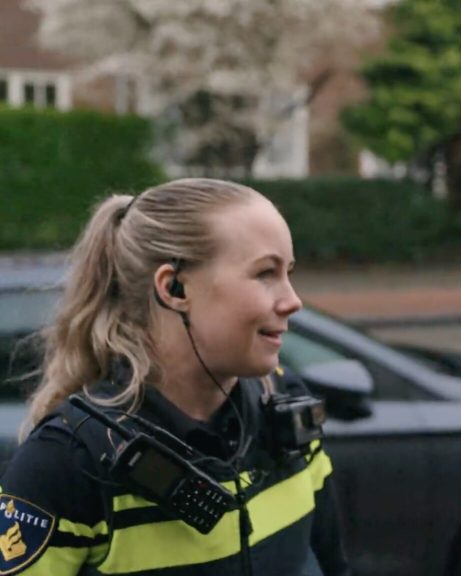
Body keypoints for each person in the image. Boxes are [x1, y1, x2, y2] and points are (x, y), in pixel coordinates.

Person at [0, 179, 348, 575]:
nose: (293, 300)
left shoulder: (284, 408)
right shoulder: (67, 461)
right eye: (265, 273)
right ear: (174, 288)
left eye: (288, 272)